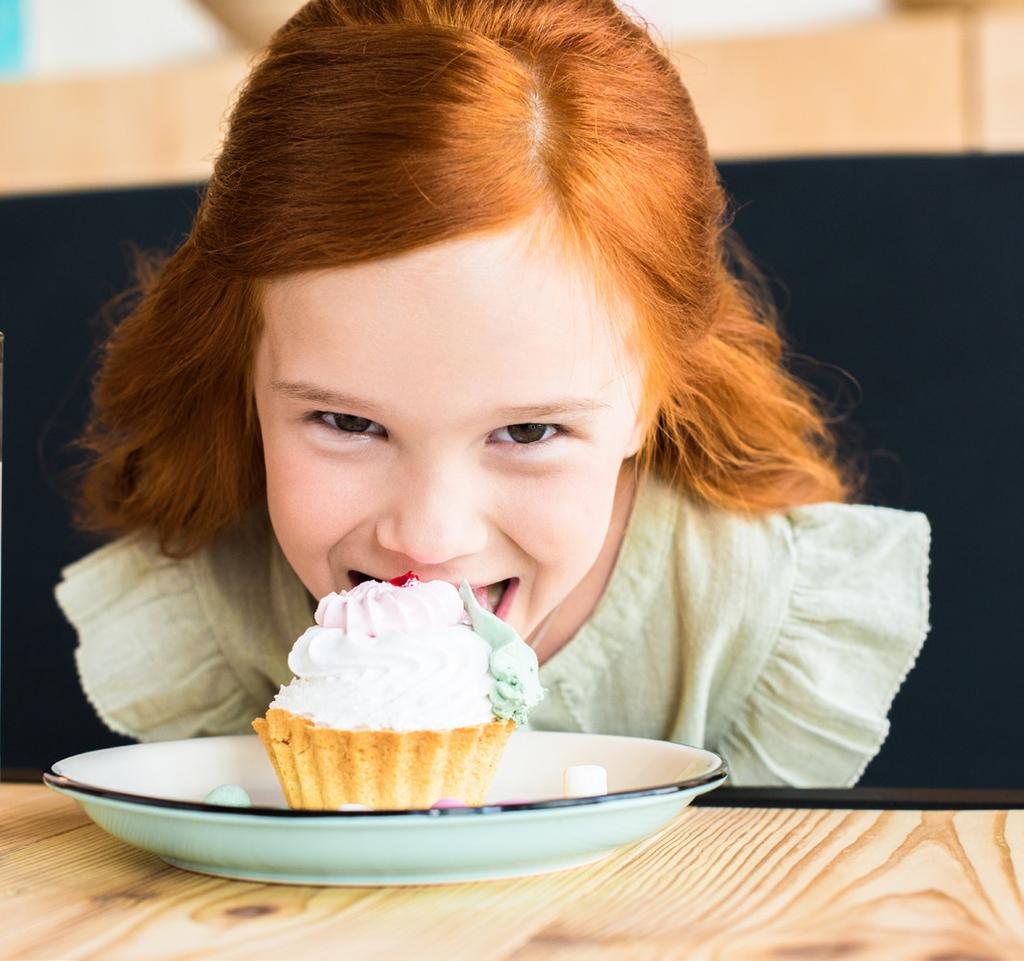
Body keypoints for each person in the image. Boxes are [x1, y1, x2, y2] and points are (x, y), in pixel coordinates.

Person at [54, 0, 930, 787]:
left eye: (528, 431)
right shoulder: (207, 615)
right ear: (243, 372)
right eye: (347, 421)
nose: (429, 537)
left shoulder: (756, 621)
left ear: (655, 393)